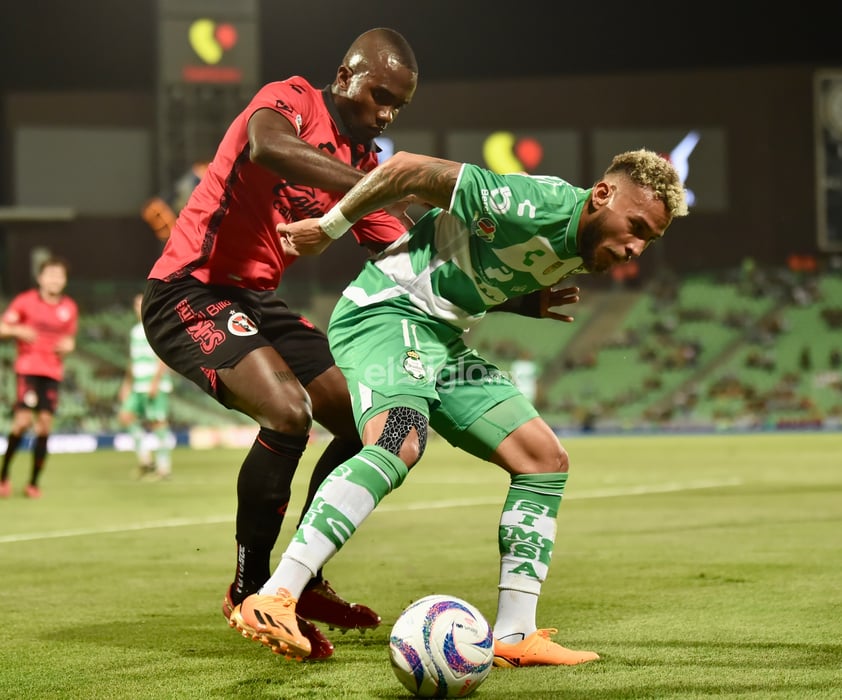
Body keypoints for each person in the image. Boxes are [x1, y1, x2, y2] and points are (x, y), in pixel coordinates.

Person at [229, 148, 689, 666]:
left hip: (442, 339)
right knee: (398, 440)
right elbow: (404, 169)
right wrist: (331, 227)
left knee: (543, 459)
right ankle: (274, 595)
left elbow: (475, 255)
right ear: (602, 195)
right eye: (635, 227)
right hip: (387, 313)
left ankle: (515, 634)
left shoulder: (586, 246)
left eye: (648, 239)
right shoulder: (530, 202)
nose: (635, 248)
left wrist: (518, 301)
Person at [140, 27, 420, 660]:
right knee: (289, 413)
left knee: (364, 423)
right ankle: (250, 592)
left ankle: (305, 575)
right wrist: (374, 182)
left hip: (257, 301)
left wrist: (521, 295)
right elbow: (267, 146)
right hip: (190, 289)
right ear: (346, 74)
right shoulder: (290, 98)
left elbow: (409, 257)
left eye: (397, 107)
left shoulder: (364, 168)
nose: (385, 114)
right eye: (380, 95)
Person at [0, 256, 78, 499]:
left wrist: (68, 346)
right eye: (50, 274)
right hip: (28, 368)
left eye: (59, 275)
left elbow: (70, 340)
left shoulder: (69, 308)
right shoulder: (25, 302)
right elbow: (3, 328)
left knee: (44, 425)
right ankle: (3, 477)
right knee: (22, 421)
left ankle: (33, 483)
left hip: (52, 371)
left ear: (64, 281)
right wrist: (17, 330)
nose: (55, 279)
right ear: (40, 278)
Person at [118, 293, 174, 480]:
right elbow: (132, 362)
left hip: (153, 384)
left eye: (142, 304)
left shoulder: (157, 328)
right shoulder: (135, 331)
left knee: (158, 423)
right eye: (136, 305)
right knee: (126, 416)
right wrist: (126, 385)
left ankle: (164, 468)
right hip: (138, 385)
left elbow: (163, 357)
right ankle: (146, 461)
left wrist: (155, 382)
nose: (139, 308)